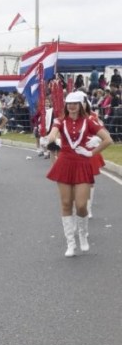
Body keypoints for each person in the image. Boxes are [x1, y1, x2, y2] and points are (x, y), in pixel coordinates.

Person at [42, 92, 112, 256]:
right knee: (66, 203)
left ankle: (82, 234)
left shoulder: (89, 121)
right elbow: (53, 133)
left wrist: (91, 153)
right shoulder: (60, 121)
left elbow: (108, 140)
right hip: (64, 163)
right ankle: (70, 243)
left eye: (75, 103)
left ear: (81, 105)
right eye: (69, 103)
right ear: (66, 106)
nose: (71, 106)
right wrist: (50, 139)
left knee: (81, 205)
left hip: (82, 164)